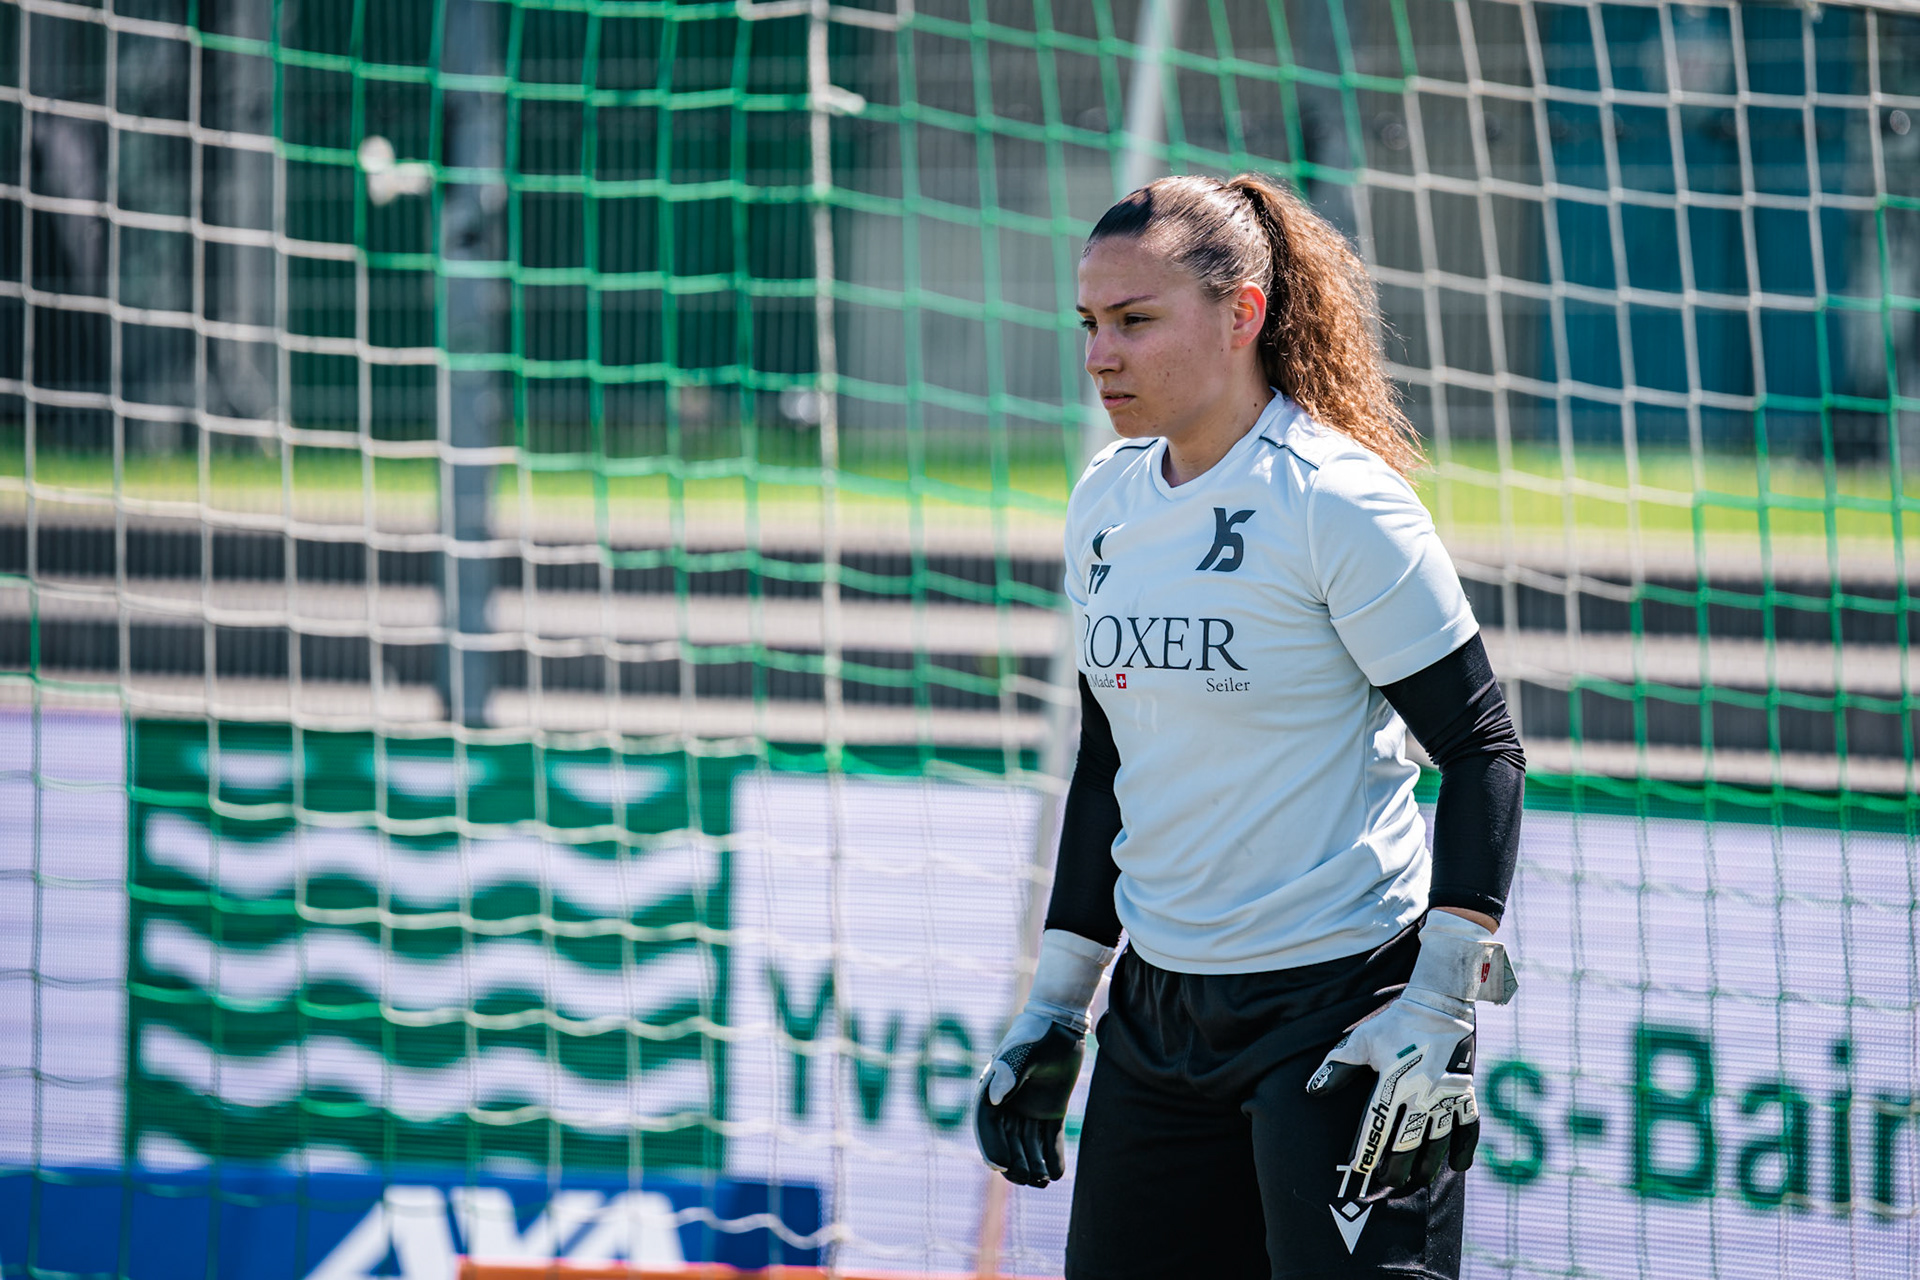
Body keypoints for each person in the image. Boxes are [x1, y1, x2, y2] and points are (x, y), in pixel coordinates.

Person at [973, 173, 1526, 1280]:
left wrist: (1438, 997)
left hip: (1338, 1013)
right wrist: (1056, 1006)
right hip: (1157, 1022)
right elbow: (1107, 766)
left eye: (1135, 320)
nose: (1100, 356)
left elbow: (1482, 748)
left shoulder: (1337, 500)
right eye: (1090, 323)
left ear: (1245, 314)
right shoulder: (1106, 501)